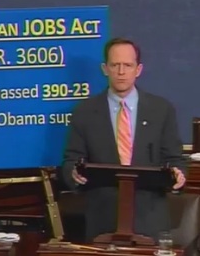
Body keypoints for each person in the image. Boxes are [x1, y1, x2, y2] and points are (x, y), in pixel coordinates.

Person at [61, 37, 186, 243]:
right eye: (115, 65)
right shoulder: (84, 112)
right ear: (105, 68)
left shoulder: (161, 110)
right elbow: (70, 161)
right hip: (103, 219)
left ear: (138, 70)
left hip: (150, 220)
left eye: (127, 65)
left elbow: (175, 159)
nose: (121, 72)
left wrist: (178, 175)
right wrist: (73, 172)